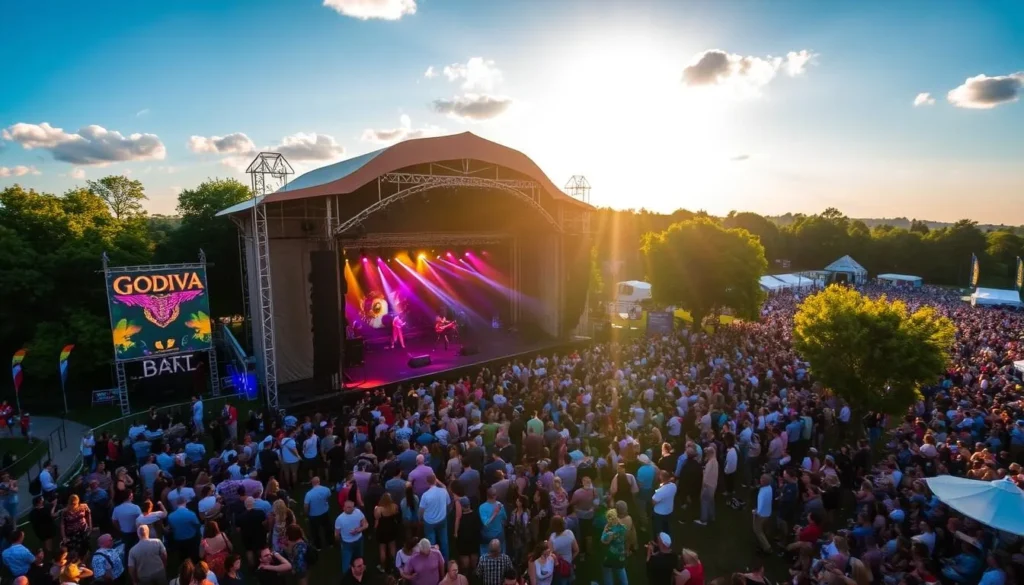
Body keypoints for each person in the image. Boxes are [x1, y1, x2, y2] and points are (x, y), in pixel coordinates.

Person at [418, 473, 450, 560]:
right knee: (444, 542)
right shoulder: (443, 491)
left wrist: (420, 518)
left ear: (427, 482)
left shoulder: (425, 495)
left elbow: (421, 510)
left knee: (431, 543)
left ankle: (433, 561)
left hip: (429, 522)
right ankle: (445, 561)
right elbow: (448, 503)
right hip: (442, 519)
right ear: (435, 481)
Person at [336, 498, 368, 574]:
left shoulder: (358, 512)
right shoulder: (340, 519)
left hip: (359, 540)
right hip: (347, 543)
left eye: (352, 507)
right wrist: (340, 542)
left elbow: (366, 524)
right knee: (346, 564)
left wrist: (359, 529)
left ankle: (360, 574)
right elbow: (337, 534)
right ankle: (348, 578)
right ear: (343, 508)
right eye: (348, 507)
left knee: (359, 559)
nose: (351, 509)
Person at [168, 498, 202, 563]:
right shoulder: (191, 514)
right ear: (185, 503)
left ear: (176, 504)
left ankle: (184, 568)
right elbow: (198, 525)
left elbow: (171, 528)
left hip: (179, 540)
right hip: (192, 539)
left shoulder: (170, 516)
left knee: (183, 557)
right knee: (193, 556)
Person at [304, 476, 334, 549]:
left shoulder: (309, 494)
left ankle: (318, 546)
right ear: (319, 482)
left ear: (312, 483)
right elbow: (328, 497)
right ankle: (330, 543)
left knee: (315, 532)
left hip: (313, 516)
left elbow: (306, 506)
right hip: (325, 512)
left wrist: (306, 514)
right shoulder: (326, 489)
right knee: (328, 529)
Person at [374, 492, 400, 572]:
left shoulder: (378, 509)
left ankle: (383, 567)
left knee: (382, 549)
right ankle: (394, 565)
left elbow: (376, 520)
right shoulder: (394, 507)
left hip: (382, 530)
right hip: (392, 529)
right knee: (392, 547)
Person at [600, 509, 628, 585]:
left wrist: (604, 530)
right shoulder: (623, 527)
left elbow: (604, 541)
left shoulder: (610, 533)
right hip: (621, 553)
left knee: (607, 570)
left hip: (611, 555)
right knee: (621, 568)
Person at [752, 473, 773, 554]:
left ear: (763, 481)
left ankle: (767, 548)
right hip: (768, 512)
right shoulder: (769, 488)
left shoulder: (762, 493)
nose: (760, 479)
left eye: (761, 479)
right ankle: (765, 541)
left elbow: (760, 506)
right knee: (763, 527)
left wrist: (755, 512)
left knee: (757, 530)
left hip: (761, 514)